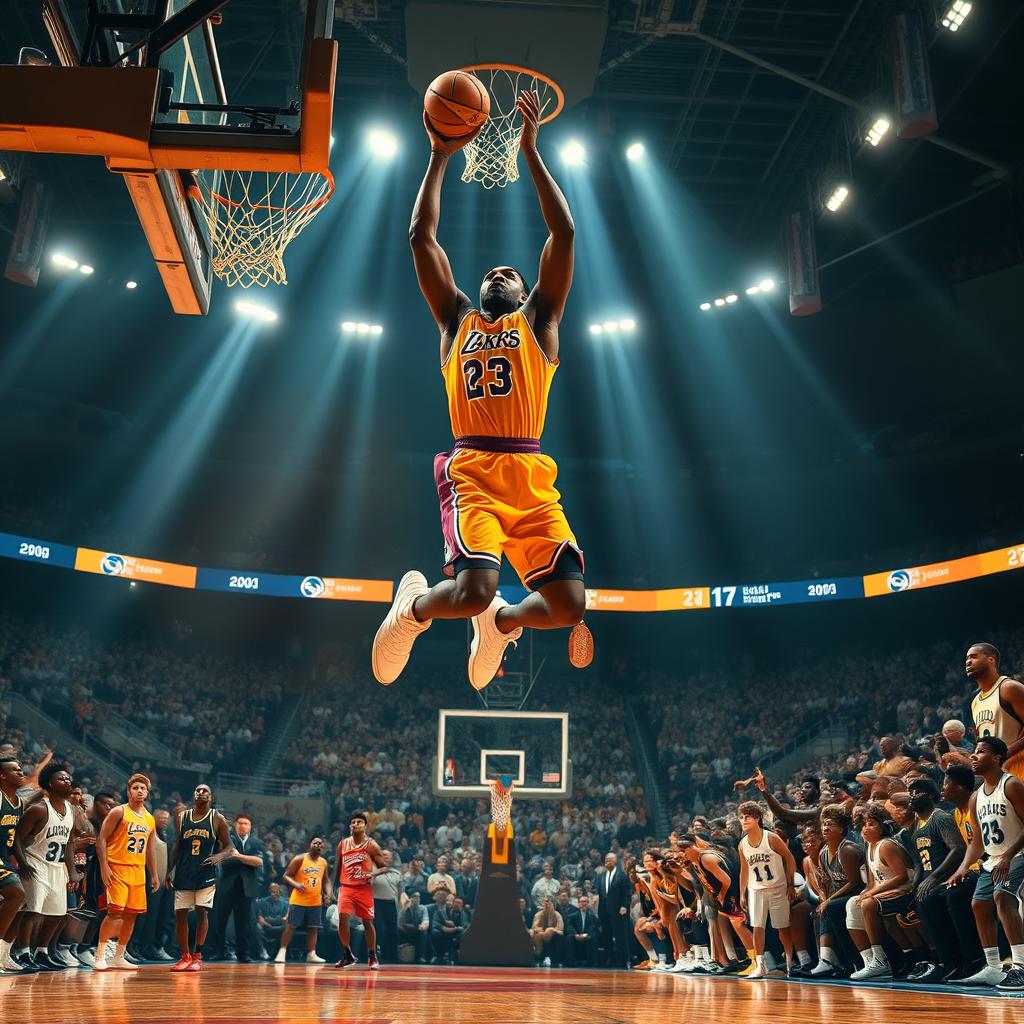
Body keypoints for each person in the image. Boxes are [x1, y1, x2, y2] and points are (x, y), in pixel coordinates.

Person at [372, 86, 589, 693]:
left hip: (530, 474)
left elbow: (564, 235)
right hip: (474, 469)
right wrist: (440, 154)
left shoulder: (540, 323)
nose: (497, 273)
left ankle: (503, 623)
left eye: (509, 274)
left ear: (526, 295)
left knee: (569, 606)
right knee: (469, 591)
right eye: (490, 272)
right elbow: (422, 238)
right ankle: (411, 609)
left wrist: (531, 152)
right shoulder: (455, 321)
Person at [947, 737, 1024, 990]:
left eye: (980, 752)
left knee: (1002, 897)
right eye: (973, 752)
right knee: (979, 904)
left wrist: (1009, 855)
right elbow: (977, 842)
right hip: (993, 859)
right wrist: (961, 868)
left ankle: (1021, 967)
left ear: (997, 758)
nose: (973, 756)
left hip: (1019, 855)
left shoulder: (1012, 785)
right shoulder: (975, 797)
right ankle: (993, 967)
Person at [904, 776, 968, 982]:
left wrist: (934, 878)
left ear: (931, 795)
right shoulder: (915, 828)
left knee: (931, 899)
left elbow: (958, 848)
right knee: (916, 902)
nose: (912, 796)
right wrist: (913, 885)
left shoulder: (939, 817)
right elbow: (918, 863)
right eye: (910, 792)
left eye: (918, 791)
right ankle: (941, 961)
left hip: (951, 877)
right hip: (931, 881)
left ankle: (955, 962)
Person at [14, 762, 76, 971]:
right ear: (49, 784)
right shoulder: (39, 809)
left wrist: (73, 870)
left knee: (58, 914)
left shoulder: (70, 809)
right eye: (61, 778)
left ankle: (42, 952)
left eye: (68, 778)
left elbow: (68, 843)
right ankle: (23, 953)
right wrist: (22, 863)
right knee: (32, 911)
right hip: (35, 863)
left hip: (57, 867)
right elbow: (17, 839)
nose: (67, 781)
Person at [93, 773, 157, 971]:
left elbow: (150, 848)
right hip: (117, 866)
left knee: (131, 915)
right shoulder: (118, 812)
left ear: (147, 793)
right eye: (136, 787)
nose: (139, 791)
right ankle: (100, 956)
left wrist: (154, 874)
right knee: (115, 913)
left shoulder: (149, 819)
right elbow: (101, 839)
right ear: (129, 791)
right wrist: (104, 866)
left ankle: (119, 956)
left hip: (138, 871)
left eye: (143, 788)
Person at [167, 783, 234, 972]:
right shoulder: (182, 817)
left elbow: (229, 847)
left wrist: (218, 856)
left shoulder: (217, 818)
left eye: (205, 791)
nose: (201, 793)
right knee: (180, 914)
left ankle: (197, 956)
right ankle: (184, 956)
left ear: (210, 797)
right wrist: (170, 870)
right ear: (193, 795)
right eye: (198, 790)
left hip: (205, 873)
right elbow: (177, 845)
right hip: (184, 872)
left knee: (201, 912)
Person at [847, 803, 917, 981]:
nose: (866, 828)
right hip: (889, 890)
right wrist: (868, 891)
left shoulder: (886, 845)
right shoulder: (869, 846)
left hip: (907, 888)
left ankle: (880, 961)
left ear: (882, 826)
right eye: (864, 824)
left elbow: (901, 876)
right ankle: (869, 959)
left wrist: (872, 893)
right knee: (853, 903)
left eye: (871, 824)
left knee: (869, 903)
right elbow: (873, 882)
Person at [737, 801, 796, 979]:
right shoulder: (742, 844)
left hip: (778, 887)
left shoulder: (771, 838)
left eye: (747, 817)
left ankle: (789, 963)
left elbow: (790, 858)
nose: (743, 820)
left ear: (757, 818)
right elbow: (744, 870)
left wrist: (791, 884)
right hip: (756, 889)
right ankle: (760, 965)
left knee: (782, 928)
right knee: (757, 927)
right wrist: (742, 893)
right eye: (740, 818)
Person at [207, 813, 265, 963]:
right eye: (240, 823)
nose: (243, 826)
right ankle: (219, 951)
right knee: (220, 920)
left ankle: (243, 954)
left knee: (243, 923)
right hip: (227, 886)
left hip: (246, 888)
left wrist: (239, 857)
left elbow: (258, 862)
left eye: (246, 824)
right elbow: (225, 860)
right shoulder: (227, 839)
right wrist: (247, 860)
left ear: (250, 827)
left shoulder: (256, 842)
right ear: (235, 825)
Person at [333, 812, 387, 970]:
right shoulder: (343, 844)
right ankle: (348, 954)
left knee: (367, 922)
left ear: (365, 826)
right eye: (353, 822)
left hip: (364, 888)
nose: (355, 824)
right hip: (346, 887)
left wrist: (372, 873)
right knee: (342, 918)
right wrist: (332, 888)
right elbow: (337, 867)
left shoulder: (371, 845)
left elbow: (384, 866)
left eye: (359, 822)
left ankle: (372, 955)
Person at [967, 643, 1024, 780]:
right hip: (997, 775)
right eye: (967, 659)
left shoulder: (1008, 688)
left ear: (991, 660)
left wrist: (1006, 752)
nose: (968, 661)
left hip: (1019, 768)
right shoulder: (975, 702)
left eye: (974, 657)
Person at [276, 836, 330, 964]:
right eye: (315, 843)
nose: (318, 845)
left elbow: (326, 880)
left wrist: (327, 893)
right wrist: (296, 885)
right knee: (291, 925)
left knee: (313, 927)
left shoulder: (323, 862)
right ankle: (282, 951)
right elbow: (286, 876)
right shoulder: (300, 858)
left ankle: (311, 954)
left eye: (320, 844)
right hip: (298, 899)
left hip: (315, 900)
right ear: (309, 845)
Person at [0, 757, 28, 972]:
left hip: (5, 860)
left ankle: (4, 953)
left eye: (20, 769)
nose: (20, 773)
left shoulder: (18, 802)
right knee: (17, 895)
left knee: (25, 903)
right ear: (2, 775)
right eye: (15, 770)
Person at [597, 852, 631, 969]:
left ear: (616, 861)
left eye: (610, 859)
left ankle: (623, 960)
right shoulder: (601, 876)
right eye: (606, 859)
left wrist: (624, 906)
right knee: (607, 935)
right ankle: (609, 959)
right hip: (604, 910)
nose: (608, 861)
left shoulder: (622, 875)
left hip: (618, 910)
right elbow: (601, 895)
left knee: (620, 936)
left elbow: (627, 893)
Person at [370, 850, 403, 963]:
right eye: (382, 855)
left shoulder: (397, 873)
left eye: (387, 856)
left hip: (391, 904)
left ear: (392, 859)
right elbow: (365, 883)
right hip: (377, 903)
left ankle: (393, 957)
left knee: (393, 932)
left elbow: (400, 892)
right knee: (381, 930)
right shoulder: (372, 870)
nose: (385, 857)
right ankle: (378, 955)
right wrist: (378, 872)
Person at [256, 883, 289, 958]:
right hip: (265, 925)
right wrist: (266, 924)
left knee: (289, 927)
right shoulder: (261, 902)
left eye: (278, 892)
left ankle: (282, 951)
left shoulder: (286, 903)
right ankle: (262, 951)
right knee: (257, 927)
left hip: (280, 926)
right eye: (273, 892)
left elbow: (286, 918)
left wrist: (280, 923)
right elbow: (260, 917)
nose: (276, 894)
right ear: (269, 891)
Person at [529, 895, 563, 967]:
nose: (546, 904)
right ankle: (539, 957)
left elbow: (560, 928)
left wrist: (551, 929)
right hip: (541, 935)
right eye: (545, 902)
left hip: (553, 935)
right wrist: (542, 931)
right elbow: (534, 927)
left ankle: (551, 958)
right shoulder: (538, 914)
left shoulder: (557, 914)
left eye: (548, 902)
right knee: (537, 934)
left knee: (550, 931)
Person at [567, 892, 599, 967]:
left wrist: (585, 934)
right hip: (576, 935)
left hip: (587, 935)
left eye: (585, 902)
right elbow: (569, 927)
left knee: (593, 936)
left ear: (588, 904)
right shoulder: (572, 915)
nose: (583, 903)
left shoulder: (592, 916)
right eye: (582, 902)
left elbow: (593, 927)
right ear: (578, 904)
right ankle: (571, 963)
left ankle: (591, 963)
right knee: (568, 938)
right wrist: (576, 934)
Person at [397, 890, 429, 963]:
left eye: (418, 897)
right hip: (405, 931)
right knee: (397, 931)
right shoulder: (403, 909)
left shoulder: (423, 908)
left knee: (424, 932)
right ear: (409, 898)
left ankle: (421, 956)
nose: (417, 899)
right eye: (414, 897)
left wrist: (422, 926)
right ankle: (400, 956)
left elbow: (426, 920)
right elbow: (400, 924)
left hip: (418, 930)